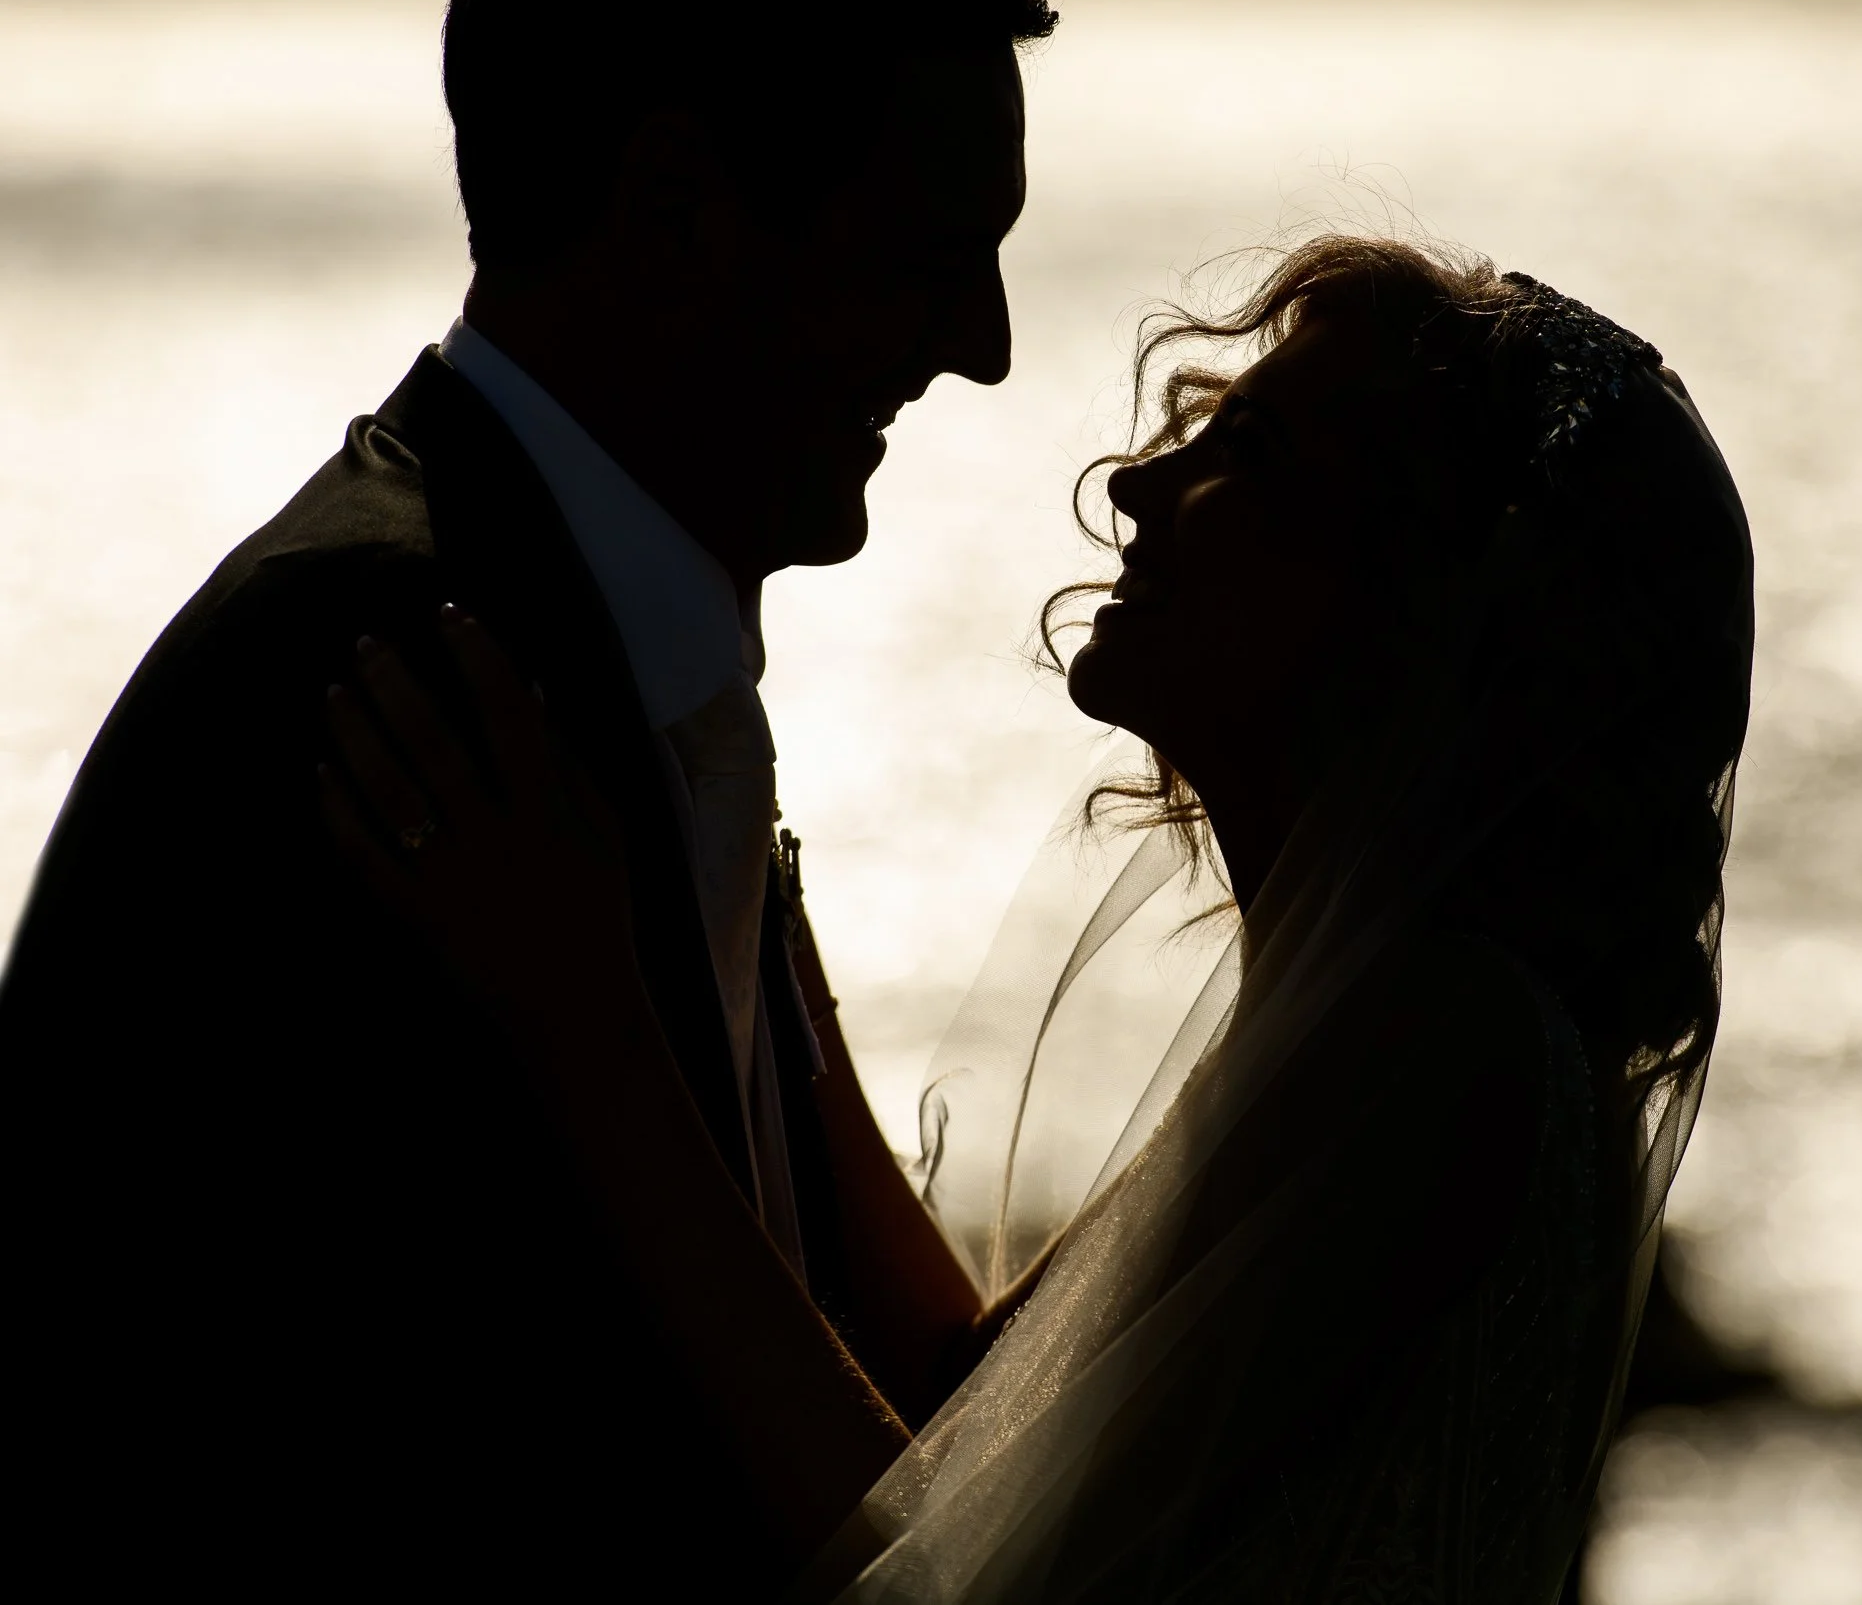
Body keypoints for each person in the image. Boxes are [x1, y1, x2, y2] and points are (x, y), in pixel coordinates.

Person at [319, 236, 1755, 1602]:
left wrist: (584, 1025)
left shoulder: (1446, 1048)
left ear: (1426, 613)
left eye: (1247, 452)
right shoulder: (1380, 1017)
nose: (1138, 483)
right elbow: (967, 1408)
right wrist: (749, 886)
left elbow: (933, 1575)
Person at [0, 0, 1056, 1594]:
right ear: (675, 206)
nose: (982, 345)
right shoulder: (389, 683)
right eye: (930, 252)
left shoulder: (585, 659)